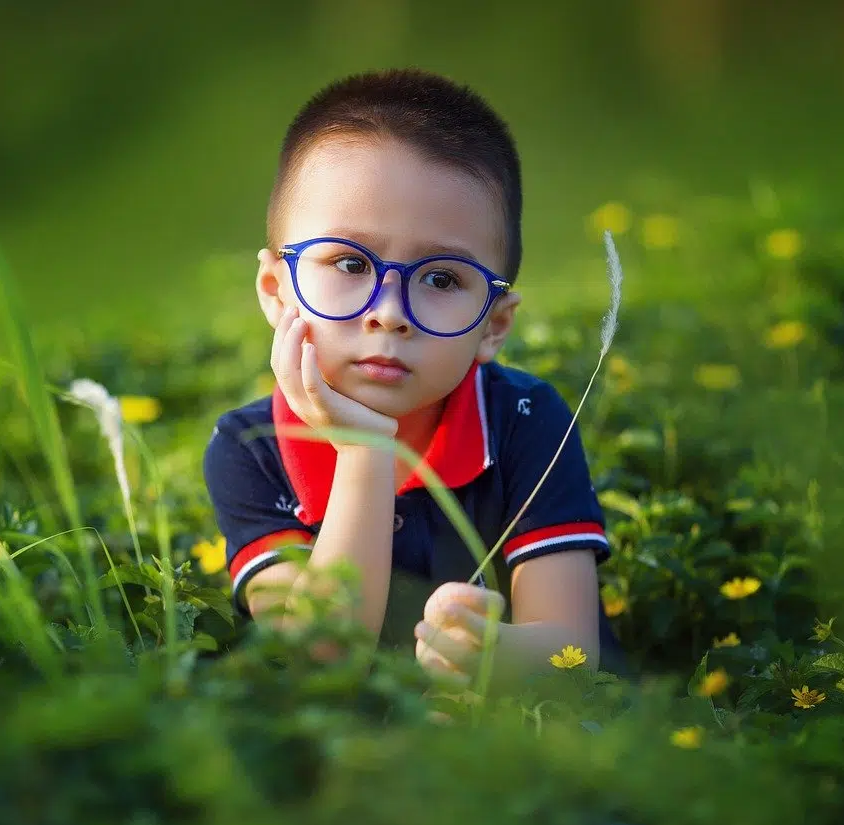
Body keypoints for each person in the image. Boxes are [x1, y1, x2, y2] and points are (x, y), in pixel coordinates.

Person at [202, 68, 626, 691]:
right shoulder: (250, 448)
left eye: (442, 279)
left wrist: (492, 657)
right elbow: (317, 659)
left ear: (494, 326)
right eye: (348, 262)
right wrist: (365, 450)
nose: (390, 314)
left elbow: (571, 654)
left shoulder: (525, 421)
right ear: (276, 290)